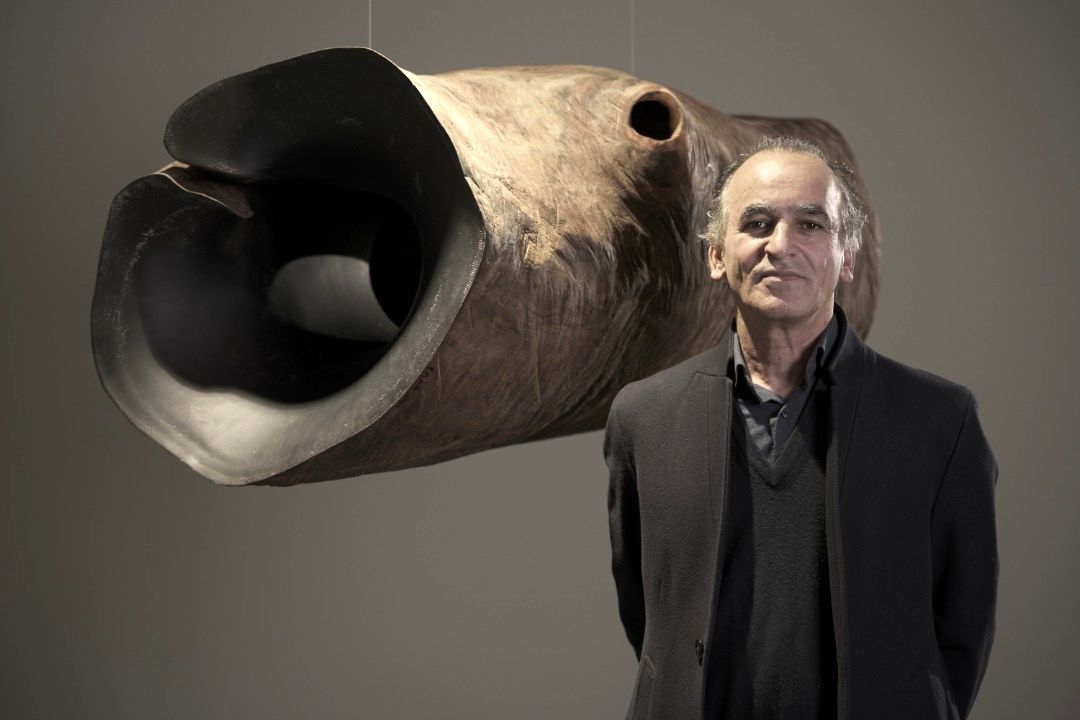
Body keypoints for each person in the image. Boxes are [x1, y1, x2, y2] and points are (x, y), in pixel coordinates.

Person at [604, 136, 997, 720]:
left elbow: (963, 627)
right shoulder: (644, 417)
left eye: (811, 225)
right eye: (756, 223)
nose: (780, 245)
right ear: (716, 255)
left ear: (847, 258)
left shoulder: (939, 419)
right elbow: (652, 617)